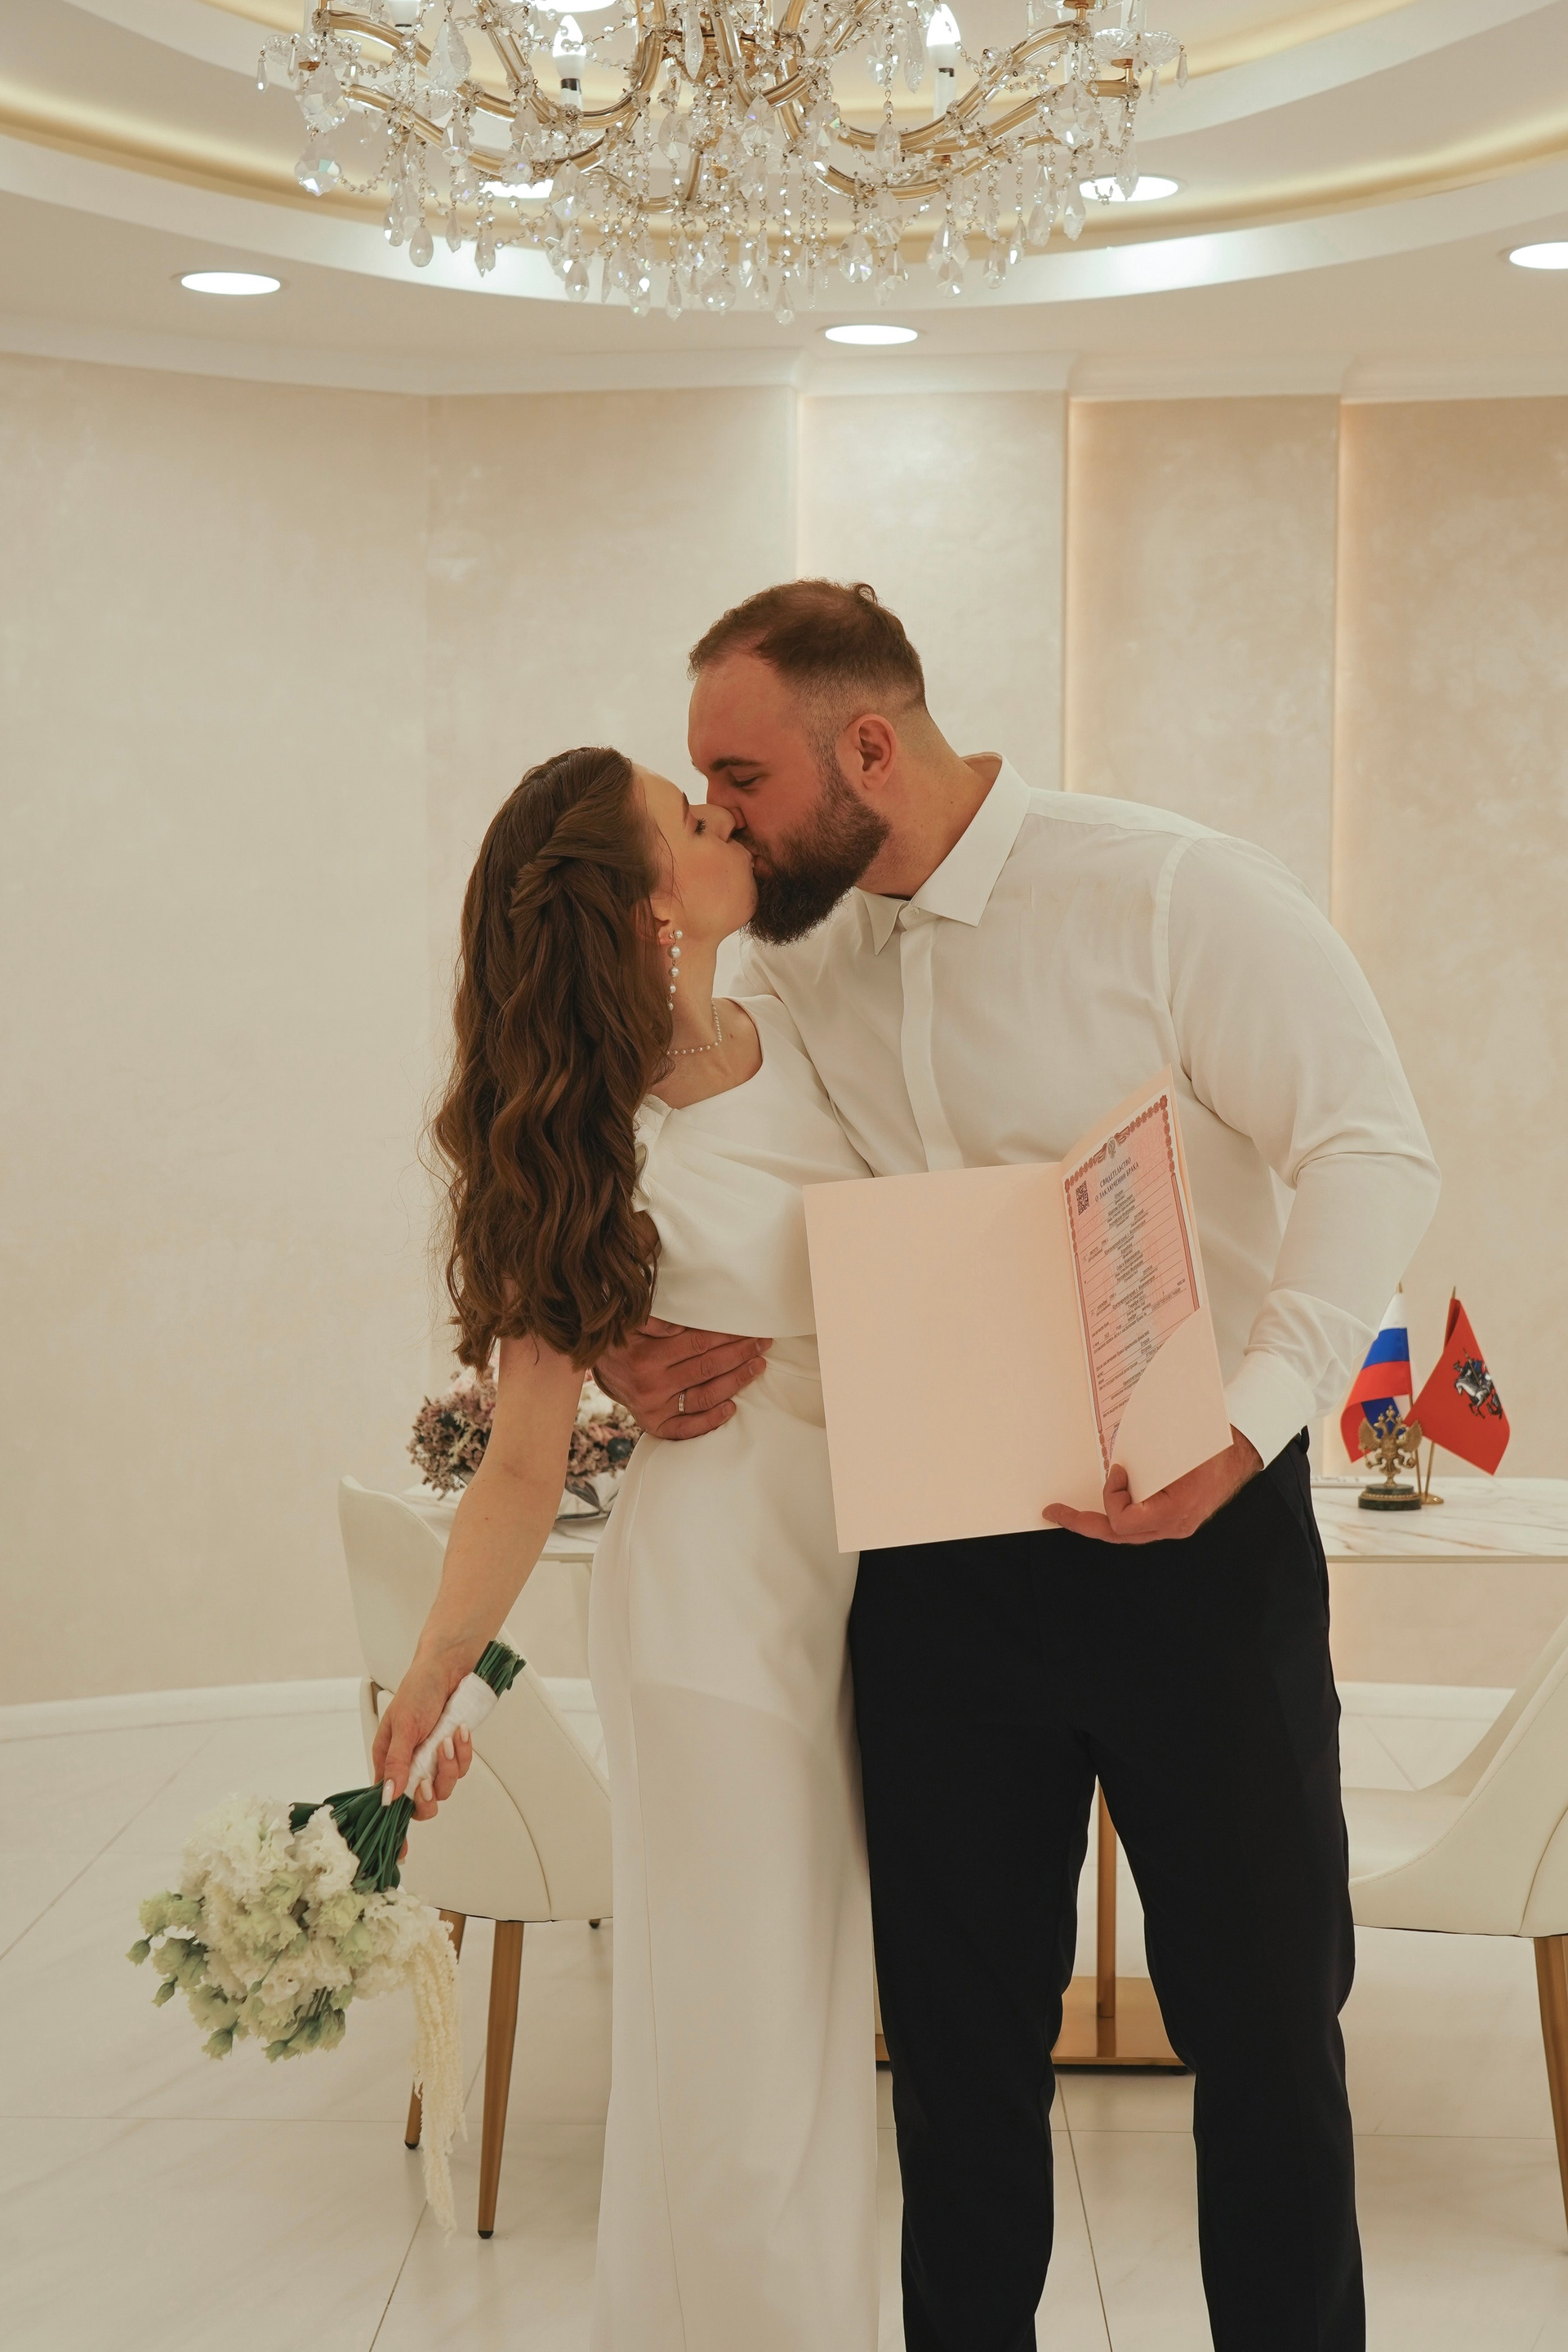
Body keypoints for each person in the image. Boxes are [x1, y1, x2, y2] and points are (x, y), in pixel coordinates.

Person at [596, 580, 1442, 2352]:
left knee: (1266, 2032)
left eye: (741, 777)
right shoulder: (790, 950)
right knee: (958, 2054)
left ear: (869, 746)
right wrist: (643, 1334)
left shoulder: (1173, 892)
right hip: (932, 1563)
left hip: (1202, 1543)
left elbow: (1372, 1147)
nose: (721, 819)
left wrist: (1248, 1421)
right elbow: (699, 1151)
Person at [373, 746, 878, 2351]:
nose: (723, 815)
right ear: (650, 907)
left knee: (826, 2042)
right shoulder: (596, 1147)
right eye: (687, 813)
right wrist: (435, 1674)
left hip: (867, 1591)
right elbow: (523, 1465)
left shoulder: (802, 1027)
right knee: (738, 2058)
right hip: (714, 1618)